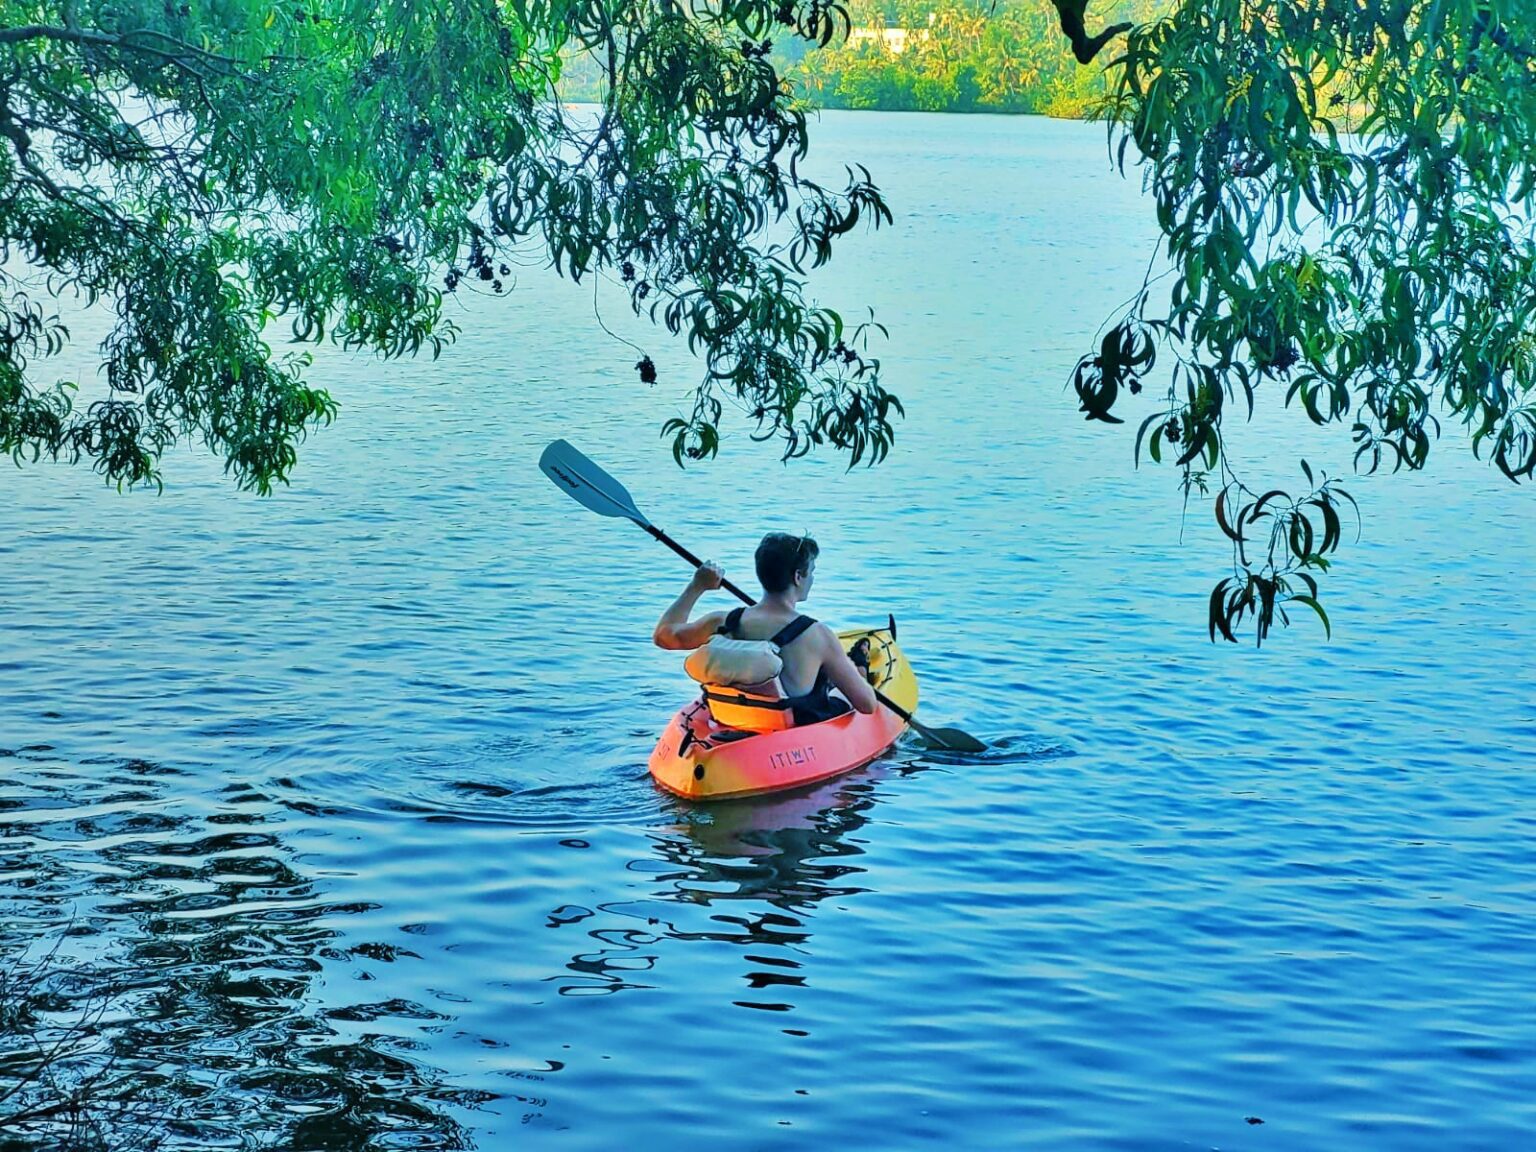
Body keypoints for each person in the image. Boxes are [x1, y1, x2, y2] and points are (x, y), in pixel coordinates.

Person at [652, 532, 878, 726]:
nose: (813, 578)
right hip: (786, 731)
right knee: (838, 689)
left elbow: (664, 636)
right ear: (798, 577)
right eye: (812, 572)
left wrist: (697, 586)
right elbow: (867, 705)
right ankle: (857, 668)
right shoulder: (817, 635)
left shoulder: (722, 621)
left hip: (733, 718)